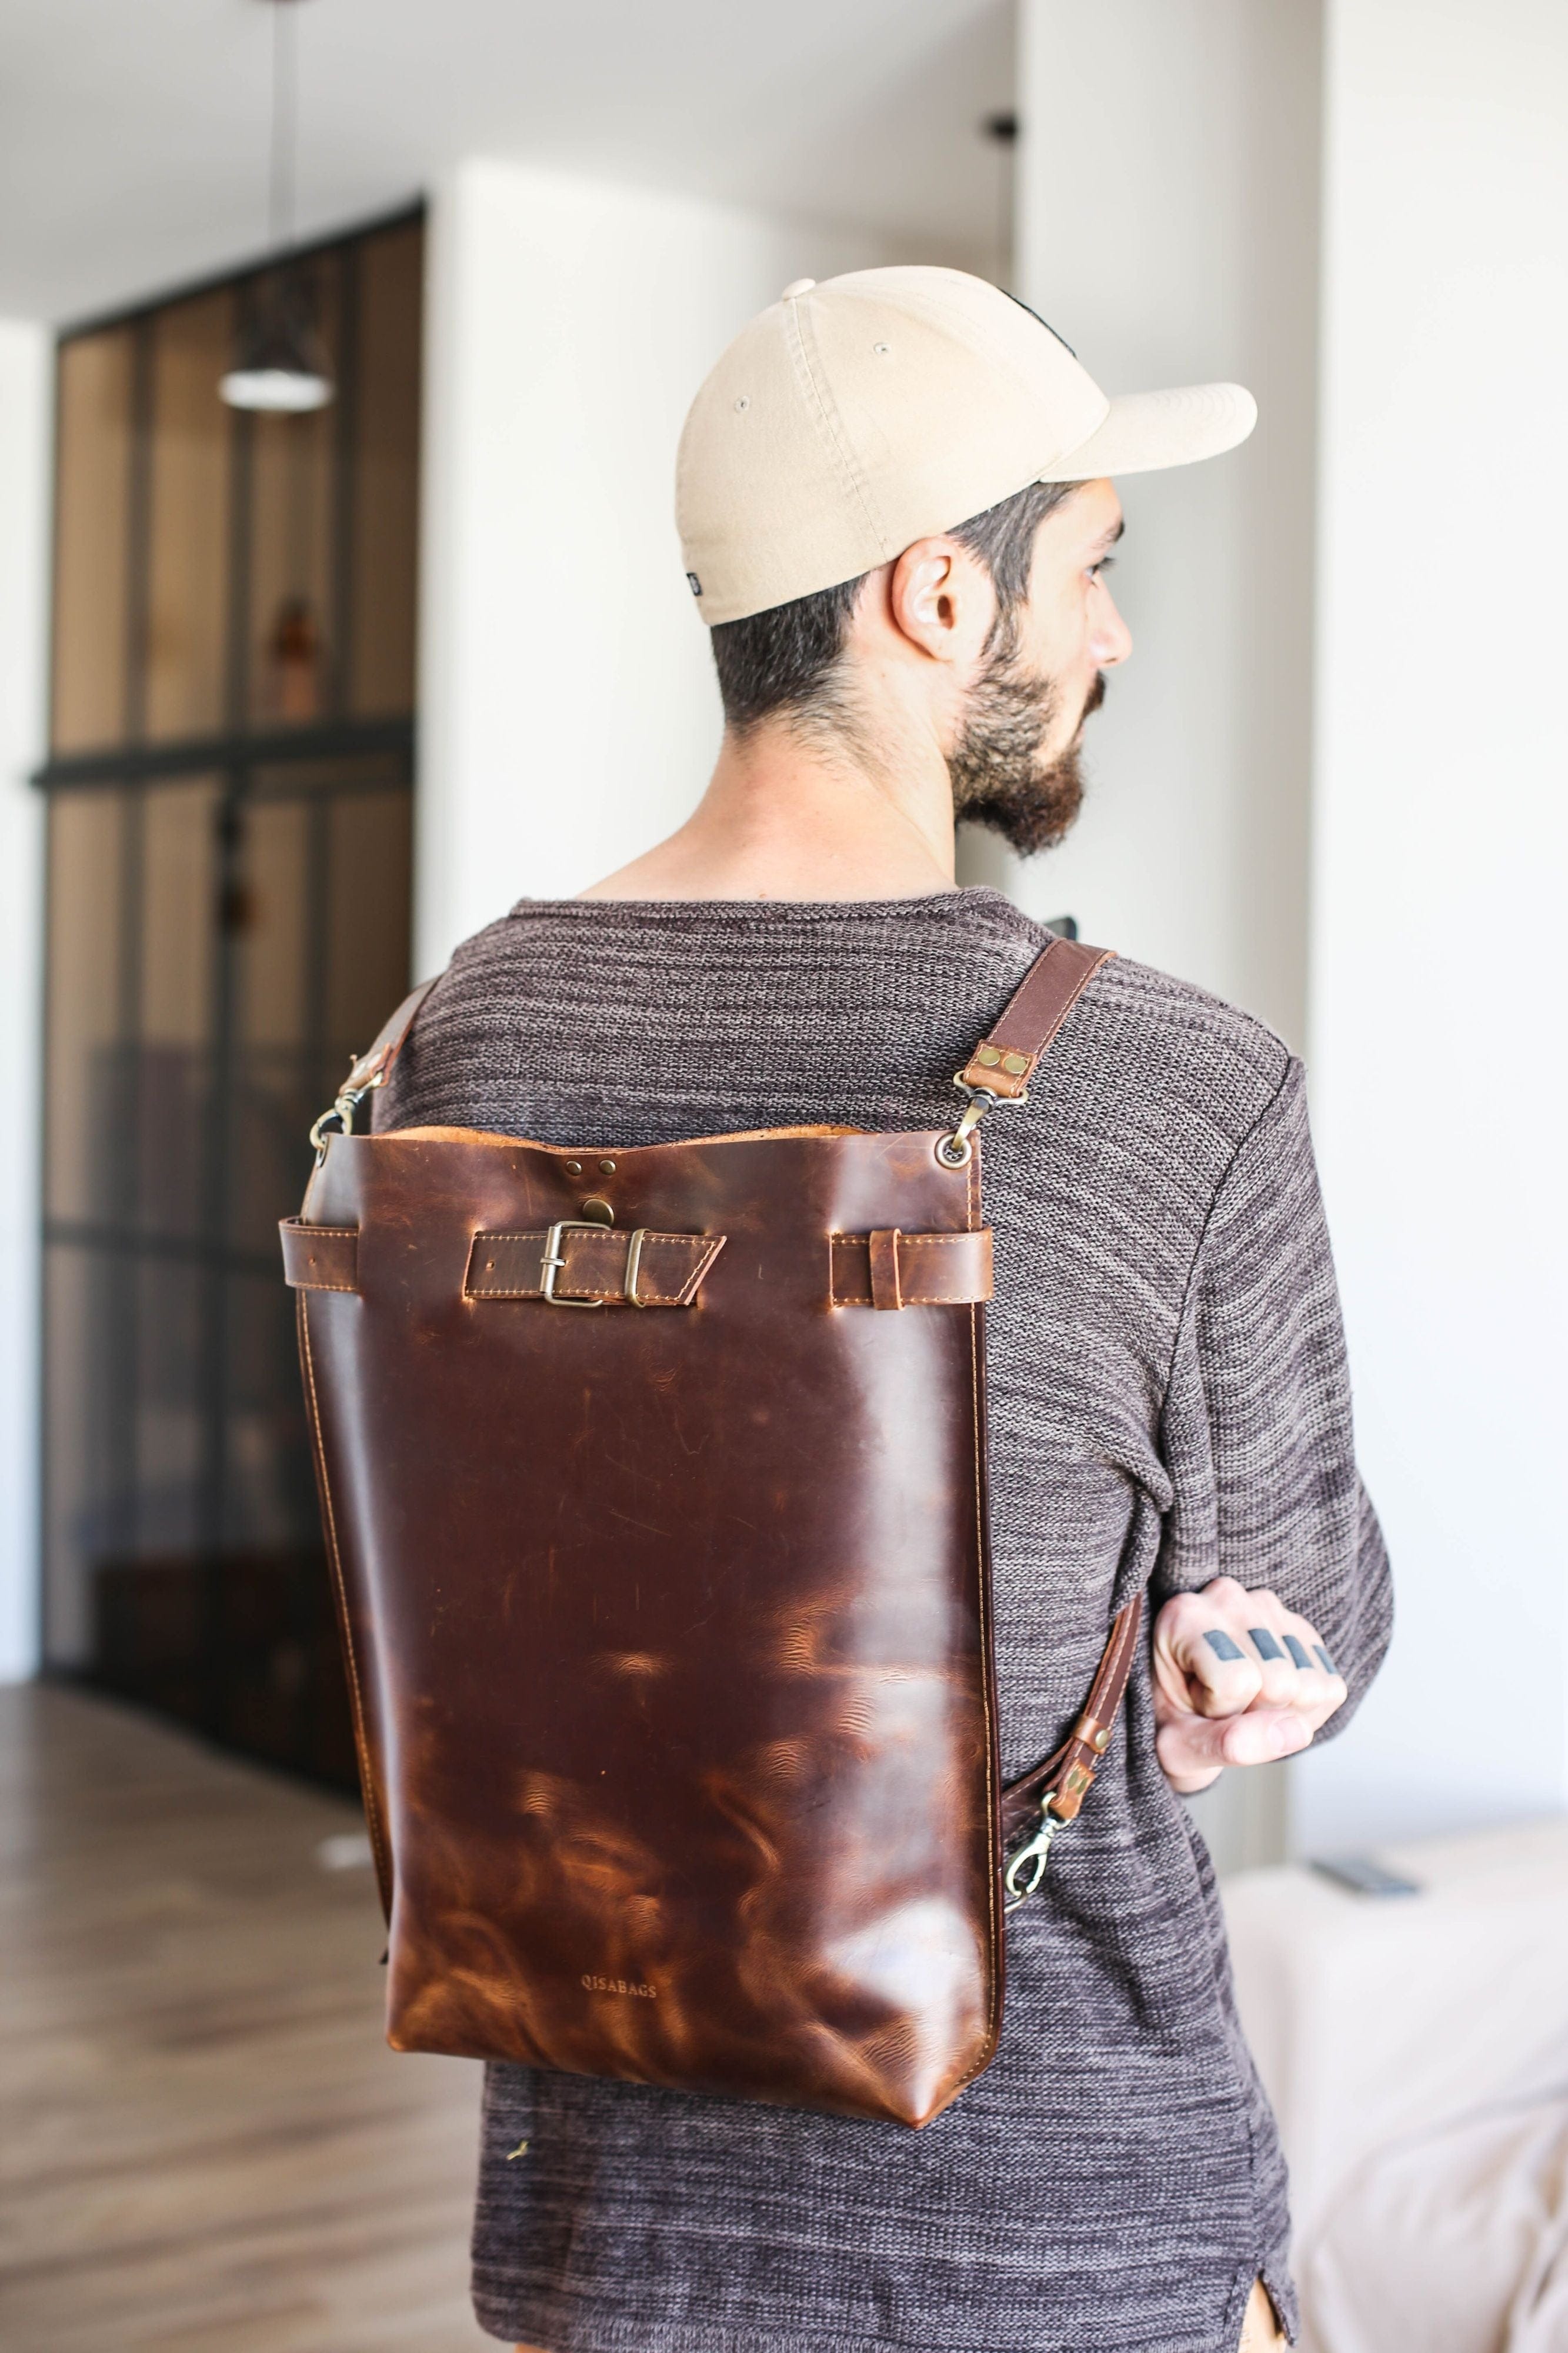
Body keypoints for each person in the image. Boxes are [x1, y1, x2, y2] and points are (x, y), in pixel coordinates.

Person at [378, 267, 1392, 2353]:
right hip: (1061, 2220)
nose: (1109, 634)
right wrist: (1247, 1671)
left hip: (610, 2228)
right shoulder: (1168, 1082)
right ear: (939, 598)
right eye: (1092, 570)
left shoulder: (449, 1038)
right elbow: (1303, 1605)